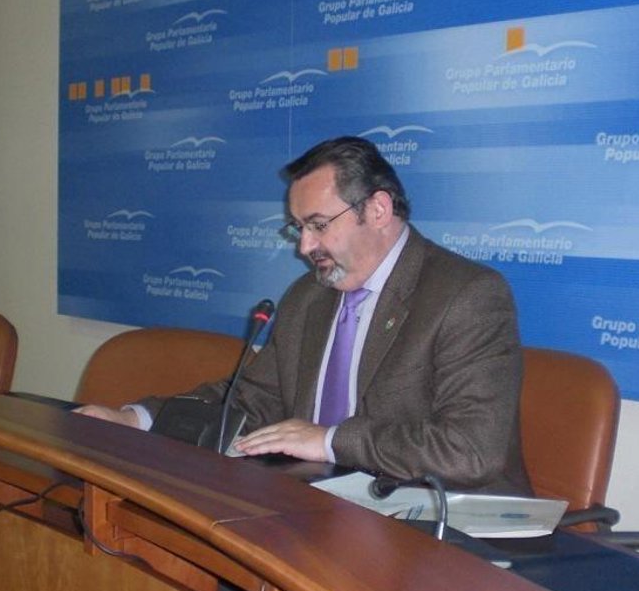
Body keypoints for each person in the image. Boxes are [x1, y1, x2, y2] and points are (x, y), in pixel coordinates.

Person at [77, 136, 530, 493]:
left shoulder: (466, 295)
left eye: (317, 225)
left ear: (377, 209)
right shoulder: (308, 297)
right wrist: (139, 420)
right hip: (321, 507)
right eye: (298, 228)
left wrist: (328, 440)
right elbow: (250, 401)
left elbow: (471, 450)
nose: (304, 246)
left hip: (442, 524)